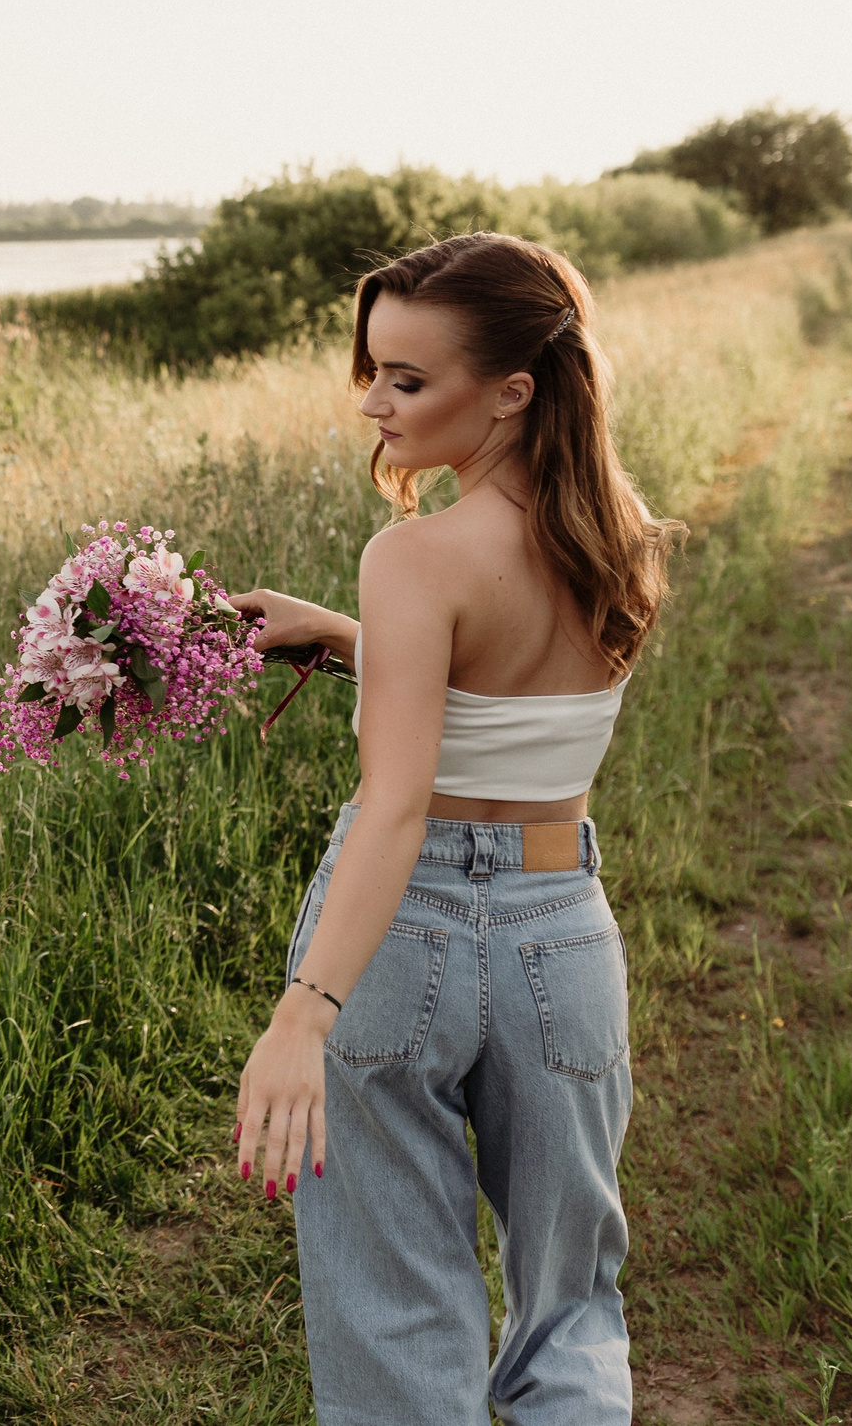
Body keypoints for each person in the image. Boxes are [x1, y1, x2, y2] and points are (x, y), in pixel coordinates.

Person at [227, 232, 681, 1424]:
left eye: (407, 381)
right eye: (371, 372)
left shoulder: (415, 556)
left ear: (511, 392)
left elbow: (398, 802)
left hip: (403, 933)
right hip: (559, 934)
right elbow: (500, 706)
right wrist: (334, 630)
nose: (371, 403)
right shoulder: (615, 532)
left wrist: (299, 1015)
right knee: (572, 1307)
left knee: (394, 1311)